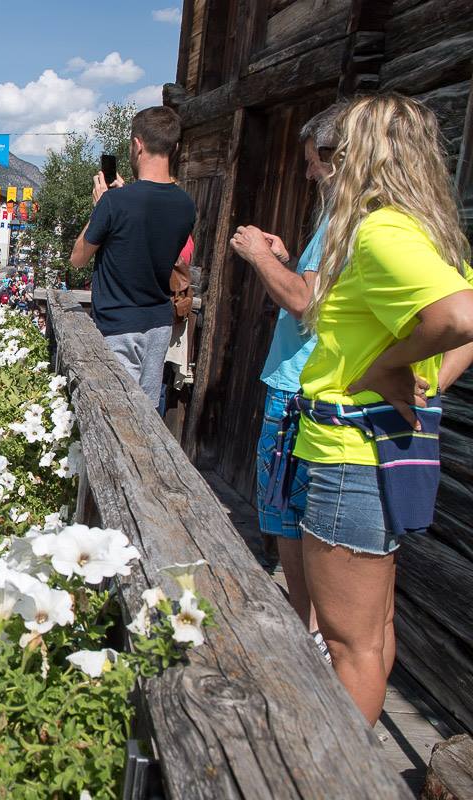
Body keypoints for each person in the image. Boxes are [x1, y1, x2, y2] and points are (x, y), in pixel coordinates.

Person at [273, 94, 473, 725]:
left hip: (348, 457)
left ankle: (335, 776)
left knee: (346, 642)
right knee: (373, 628)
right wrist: (428, 381)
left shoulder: (380, 229)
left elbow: (461, 317)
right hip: (383, 450)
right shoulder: (428, 230)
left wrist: (388, 369)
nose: (327, 166)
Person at [229, 102, 346, 650]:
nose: (306, 174)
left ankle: (309, 638)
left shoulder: (345, 215)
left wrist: (259, 257)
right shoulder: (348, 219)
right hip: (308, 382)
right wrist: (287, 255)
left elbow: (306, 301)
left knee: (288, 519)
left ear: (336, 157)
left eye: (311, 164)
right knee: (292, 516)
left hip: (297, 388)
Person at [68, 106, 197, 407]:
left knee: (118, 413)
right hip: (159, 324)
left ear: (137, 145)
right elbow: (149, 231)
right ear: (174, 147)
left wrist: (102, 207)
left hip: (118, 325)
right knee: (146, 410)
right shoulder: (186, 205)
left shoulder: (114, 202)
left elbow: (77, 258)